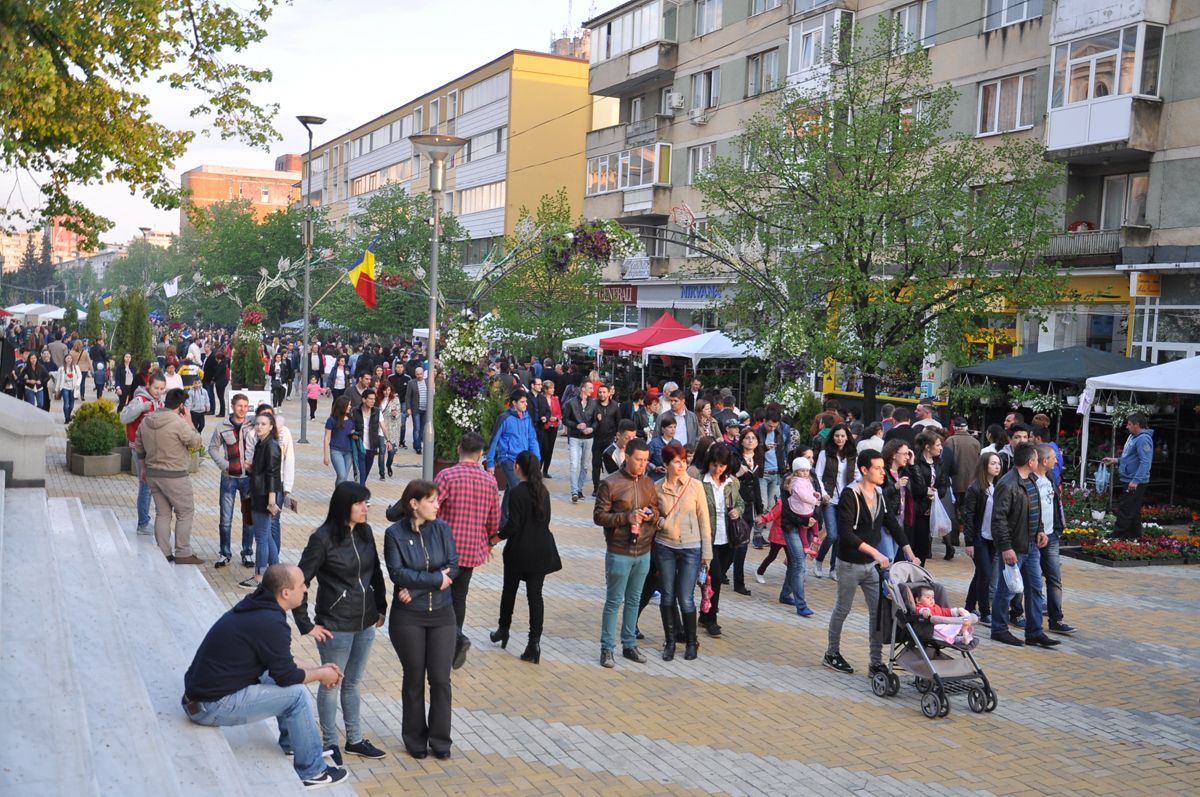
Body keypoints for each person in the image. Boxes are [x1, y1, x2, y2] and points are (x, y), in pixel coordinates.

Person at [182, 564, 349, 789]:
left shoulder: (259, 607)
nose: (306, 589)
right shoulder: (270, 622)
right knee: (297, 695)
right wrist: (321, 674)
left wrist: (320, 667)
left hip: (200, 699)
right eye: (302, 585)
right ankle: (312, 771)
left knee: (274, 677)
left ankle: (294, 744)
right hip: (209, 706)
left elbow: (281, 661)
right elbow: (288, 676)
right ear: (286, 593)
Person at [293, 481, 388, 765]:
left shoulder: (365, 533)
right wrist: (306, 625)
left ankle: (354, 740)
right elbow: (299, 581)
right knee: (331, 683)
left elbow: (375, 572)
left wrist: (381, 606)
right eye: (360, 503)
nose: (365, 508)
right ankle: (329, 742)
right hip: (335, 625)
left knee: (353, 683)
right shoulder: (322, 539)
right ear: (344, 506)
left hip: (365, 621)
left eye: (367, 502)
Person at [400, 431, 499, 671]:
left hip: (443, 550)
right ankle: (453, 641)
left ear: (458, 449)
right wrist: (489, 543)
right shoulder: (490, 481)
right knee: (459, 598)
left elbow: (430, 506)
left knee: (439, 595)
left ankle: (451, 639)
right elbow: (494, 520)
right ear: (480, 454)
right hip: (471, 551)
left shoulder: (447, 476)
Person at [384, 480, 459, 760]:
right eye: (432, 501)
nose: (438, 505)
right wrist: (436, 579)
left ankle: (440, 740)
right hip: (408, 618)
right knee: (414, 678)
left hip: (442, 614)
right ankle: (414, 738)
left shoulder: (442, 529)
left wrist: (416, 589)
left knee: (440, 679)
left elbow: (453, 567)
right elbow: (397, 573)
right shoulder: (394, 534)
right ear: (414, 504)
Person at [823, 451, 913, 676]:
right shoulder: (850, 495)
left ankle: (875, 663)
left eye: (883, 468)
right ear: (864, 470)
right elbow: (846, 534)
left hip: (871, 567)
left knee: (877, 613)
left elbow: (892, 523)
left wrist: (909, 551)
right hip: (849, 564)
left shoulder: (880, 494)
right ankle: (831, 653)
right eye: (878, 468)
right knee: (843, 608)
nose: (883, 472)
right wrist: (876, 553)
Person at [593, 437, 661, 668]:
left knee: (634, 600)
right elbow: (599, 516)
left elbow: (657, 509)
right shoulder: (610, 483)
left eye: (645, 460)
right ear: (627, 457)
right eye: (638, 459)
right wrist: (626, 517)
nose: (642, 464)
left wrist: (651, 514)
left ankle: (629, 643)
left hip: (643, 550)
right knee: (614, 601)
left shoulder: (648, 483)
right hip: (619, 550)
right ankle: (607, 647)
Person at [489, 450, 562, 664]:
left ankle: (503, 629)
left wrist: (494, 539)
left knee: (509, 591)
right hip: (542, 550)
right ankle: (534, 643)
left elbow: (513, 525)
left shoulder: (517, 492)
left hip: (519, 550)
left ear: (518, 468)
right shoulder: (543, 492)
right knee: (535, 596)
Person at [988, 442, 1060, 649]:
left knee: (1035, 588)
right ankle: (999, 629)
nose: (1038, 462)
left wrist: (1040, 530)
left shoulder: (1032, 480)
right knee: (1007, 589)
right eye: (1036, 459)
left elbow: (1035, 508)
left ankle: (1035, 632)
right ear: (1030, 462)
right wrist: (1005, 547)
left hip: (1032, 546)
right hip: (1015, 546)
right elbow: (999, 519)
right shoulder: (1008, 484)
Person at [652, 443, 710, 661]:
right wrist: (659, 521)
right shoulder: (657, 487)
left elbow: (704, 520)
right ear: (666, 464)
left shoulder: (696, 486)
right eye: (677, 462)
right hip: (665, 546)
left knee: (686, 598)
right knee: (667, 597)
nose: (682, 465)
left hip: (691, 548)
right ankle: (670, 642)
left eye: (684, 461)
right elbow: (652, 514)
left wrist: (707, 554)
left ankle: (692, 642)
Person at [135, 387, 205, 565]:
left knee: (163, 513)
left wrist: (143, 468)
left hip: (153, 474)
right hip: (175, 475)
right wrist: (189, 422)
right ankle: (182, 552)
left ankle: (164, 552)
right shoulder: (179, 423)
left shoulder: (147, 419)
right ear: (181, 406)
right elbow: (196, 443)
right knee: (185, 512)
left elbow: (138, 445)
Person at [698, 444, 744, 638]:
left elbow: (740, 502)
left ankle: (704, 612)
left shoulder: (732, 482)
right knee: (715, 577)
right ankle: (712, 619)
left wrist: (737, 511)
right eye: (714, 465)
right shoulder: (700, 482)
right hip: (707, 537)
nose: (718, 469)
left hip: (728, 536)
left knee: (714, 578)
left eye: (722, 466)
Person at [208, 393, 254, 568]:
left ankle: (247, 553)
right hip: (229, 478)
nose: (242, 409)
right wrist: (224, 465)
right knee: (225, 518)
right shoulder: (222, 426)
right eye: (239, 405)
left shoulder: (252, 425)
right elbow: (212, 448)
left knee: (248, 518)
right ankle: (224, 553)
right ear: (232, 406)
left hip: (248, 479)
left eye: (245, 406)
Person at [239, 412, 283, 590]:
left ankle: (260, 576)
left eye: (264, 424)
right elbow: (264, 471)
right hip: (259, 493)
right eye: (257, 424)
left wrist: (272, 499)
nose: (259, 427)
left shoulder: (271, 445)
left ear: (271, 427)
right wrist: (252, 468)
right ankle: (276, 573)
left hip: (264, 496)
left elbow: (273, 473)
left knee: (261, 537)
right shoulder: (262, 443)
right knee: (267, 536)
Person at [1034, 443, 1074, 636]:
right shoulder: (1030, 480)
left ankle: (1056, 619)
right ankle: (1017, 613)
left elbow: (1056, 504)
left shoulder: (1050, 476)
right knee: (1031, 580)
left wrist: (1058, 528)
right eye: (1053, 457)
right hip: (1033, 536)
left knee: (1054, 579)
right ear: (1044, 460)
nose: (1057, 461)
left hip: (1051, 534)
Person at [121, 370, 166, 536]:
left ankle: (145, 520)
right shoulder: (140, 400)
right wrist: (140, 408)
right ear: (149, 385)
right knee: (146, 485)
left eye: (162, 389)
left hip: (154, 451)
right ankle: (143, 523)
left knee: (150, 485)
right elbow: (123, 417)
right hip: (140, 450)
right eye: (156, 388)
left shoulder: (159, 403)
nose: (159, 392)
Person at [487, 389, 541, 525]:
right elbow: (494, 440)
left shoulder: (527, 417)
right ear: (514, 403)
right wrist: (490, 462)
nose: (525, 404)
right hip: (508, 459)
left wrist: (536, 458)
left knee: (511, 490)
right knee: (519, 489)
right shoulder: (504, 418)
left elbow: (532, 439)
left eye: (526, 402)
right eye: (522, 402)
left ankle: (502, 522)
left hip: (523, 460)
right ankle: (521, 522)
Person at [813, 423, 856, 580]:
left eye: (843, 436)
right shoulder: (825, 454)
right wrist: (824, 494)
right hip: (830, 498)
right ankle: (818, 560)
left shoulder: (852, 455)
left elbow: (857, 475)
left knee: (841, 535)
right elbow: (818, 475)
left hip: (846, 499)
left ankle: (834, 568)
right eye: (837, 435)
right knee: (832, 534)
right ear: (832, 437)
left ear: (847, 438)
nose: (840, 438)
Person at [962, 452, 1000, 625]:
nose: (997, 466)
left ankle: (969, 606)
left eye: (998, 463)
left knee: (981, 573)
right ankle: (985, 612)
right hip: (979, 537)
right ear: (984, 466)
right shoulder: (976, 488)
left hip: (993, 538)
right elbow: (969, 516)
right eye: (993, 463)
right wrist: (969, 542)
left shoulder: (998, 486)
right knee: (986, 573)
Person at [1102, 413, 1153, 540]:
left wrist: (1135, 481)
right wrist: (1115, 460)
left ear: (1137, 425)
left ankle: (1117, 536)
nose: (1127, 426)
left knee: (1125, 508)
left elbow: (1145, 462)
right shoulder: (1133, 437)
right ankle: (1134, 536)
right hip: (1130, 479)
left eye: (1129, 424)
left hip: (1135, 481)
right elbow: (1130, 458)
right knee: (1133, 509)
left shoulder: (1143, 439)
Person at [907, 429, 951, 564]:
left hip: (931, 508)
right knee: (916, 544)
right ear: (927, 446)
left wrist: (937, 492)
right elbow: (914, 486)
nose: (940, 448)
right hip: (916, 508)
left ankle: (920, 572)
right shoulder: (915, 462)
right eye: (937, 445)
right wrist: (925, 491)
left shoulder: (939, 462)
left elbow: (943, 484)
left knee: (924, 546)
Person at [731, 427, 763, 597]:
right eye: (747, 438)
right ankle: (737, 582)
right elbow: (727, 480)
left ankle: (737, 581)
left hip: (749, 506)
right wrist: (738, 473)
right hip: (736, 505)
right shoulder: (735, 458)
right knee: (736, 545)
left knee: (742, 544)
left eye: (753, 438)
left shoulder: (758, 459)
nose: (750, 441)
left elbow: (757, 485)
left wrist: (760, 509)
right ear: (741, 440)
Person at [562, 380, 596, 503]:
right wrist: (576, 426)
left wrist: (592, 428)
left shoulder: (593, 403)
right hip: (574, 437)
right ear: (583, 388)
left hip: (588, 437)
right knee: (574, 465)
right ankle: (574, 491)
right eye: (590, 388)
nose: (592, 390)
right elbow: (565, 419)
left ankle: (579, 489)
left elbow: (596, 421)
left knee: (585, 465)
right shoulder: (571, 403)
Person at [911, 585, 976, 646]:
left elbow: (944, 611)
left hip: (943, 625)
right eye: (928, 597)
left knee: (962, 621)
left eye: (933, 597)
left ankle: (961, 634)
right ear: (918, 600)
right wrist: (925, 611)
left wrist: (956, 611)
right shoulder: (920, 607)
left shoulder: (936, 607)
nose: (931, 599)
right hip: (932, 629)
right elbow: (920, 610)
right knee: (951, 627)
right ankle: (958, 636)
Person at [590, 384, 621, 497]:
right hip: (597, 438)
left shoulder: (615, 406)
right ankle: (596, 487)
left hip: (609, 438)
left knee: (611, 464)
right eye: (600, 392)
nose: (602, 394)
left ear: (609, 393)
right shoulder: (594, 404)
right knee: (596, 464)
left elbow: (618, 421)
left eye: (604, 392)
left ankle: (612, 487)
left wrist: (618, 435)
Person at [323, 396, 356, 485]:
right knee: (341, 475)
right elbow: (326, 438)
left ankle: (339, 492)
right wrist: (326, 456)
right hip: (336, 450)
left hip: (348, 451)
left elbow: (352, 432)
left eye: (350, 405)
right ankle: (339, 492)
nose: (350, 407)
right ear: (342, 405)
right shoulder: (331, 420)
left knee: (344, 477)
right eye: (348, 405)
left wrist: (354, 435)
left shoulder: (351, 420)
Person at [352, 388, 381, 487]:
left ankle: (360, 488)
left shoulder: (377, 411)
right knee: (362, 472)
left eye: (374, 399)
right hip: (360, 446)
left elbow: (383, 427)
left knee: (366, 471)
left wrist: (388, 440)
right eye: (370, 399)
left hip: (372, 447)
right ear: (364, 399)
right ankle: (361, 492)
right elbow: (351, 425)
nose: (373, 401)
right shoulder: (355, 411)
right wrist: (353, 433)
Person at [536, 379, 561, 477]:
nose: (553, 390)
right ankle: (538, 469)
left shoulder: (555, 399)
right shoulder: (540, 399)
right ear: (545, 389)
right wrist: (546, 418)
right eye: (551, 388)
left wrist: (556, 418)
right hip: (544, 427)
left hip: (553, 427)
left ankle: (545, 471)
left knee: (550, 449)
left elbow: (559, 413)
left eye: (553, 388)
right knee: (544, 449)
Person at [377, 381, 402, 479]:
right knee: (382, 452)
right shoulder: (378, 399)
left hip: (391, 429)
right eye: (384, 390)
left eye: (388, 390)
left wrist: (395, 414)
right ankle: (382, 473)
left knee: (391, 452)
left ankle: (388, 465)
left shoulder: (395, 399)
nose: (387, 392)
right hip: (380, 428)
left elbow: (399, 412)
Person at [404, 365, 429, 455]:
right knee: (417, 428)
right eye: (417, 374)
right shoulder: (411, 383)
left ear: (423, 374)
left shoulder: (427, 382)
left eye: (421, 374)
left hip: (426, 410)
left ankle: (417, 443)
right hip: (416, 409)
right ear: (415, 374)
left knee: (422, 428)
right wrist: (408, 408)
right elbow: (408, 397)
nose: (419, 376)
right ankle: (418, 447)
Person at [648, 416, 677, 482]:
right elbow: (646, 460)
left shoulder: (677, 444)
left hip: (672, 480)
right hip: (655, 479)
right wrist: (654, 468)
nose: (673, 429)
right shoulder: (654, 443)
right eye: (670, 427)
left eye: (675, 427)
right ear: (663, 429)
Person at [59, 351, 82, 422]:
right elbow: (59, 379)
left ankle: (68, 415)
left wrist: (77, 384)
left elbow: (79, 376)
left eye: (70, 358)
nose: (69, 360)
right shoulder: (61, 368)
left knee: (71, 405)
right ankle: (66, 418)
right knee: (66, 404)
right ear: (65, 359)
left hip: (73, 388)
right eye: (67, 358)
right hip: (65, 387)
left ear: (72, 360)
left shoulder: (76, 367)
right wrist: (57, 389)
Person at [88, 335, 108, 399]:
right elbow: (105, 356)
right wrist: (107, 361)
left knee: (96, 375)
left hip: (95, 363)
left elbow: (90, 356)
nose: (102, 341)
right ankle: (100, 388)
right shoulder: (102, 348)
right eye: (101, 340)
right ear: (98, 341)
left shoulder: (92, 348)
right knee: (101, 376)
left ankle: (96, 385)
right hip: (101, 362)